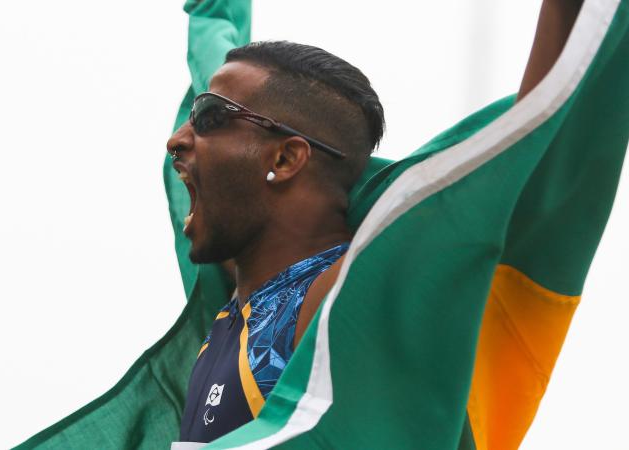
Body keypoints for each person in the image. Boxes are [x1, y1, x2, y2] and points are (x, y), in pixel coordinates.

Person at [167, 0, 584, 444]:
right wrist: (213, 14)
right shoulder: (238, 301)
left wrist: (572, 19)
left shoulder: (345, 297)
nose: (176, 141)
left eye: (209, 117)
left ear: (286, 158)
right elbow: (210, 51)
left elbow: (531, 142)